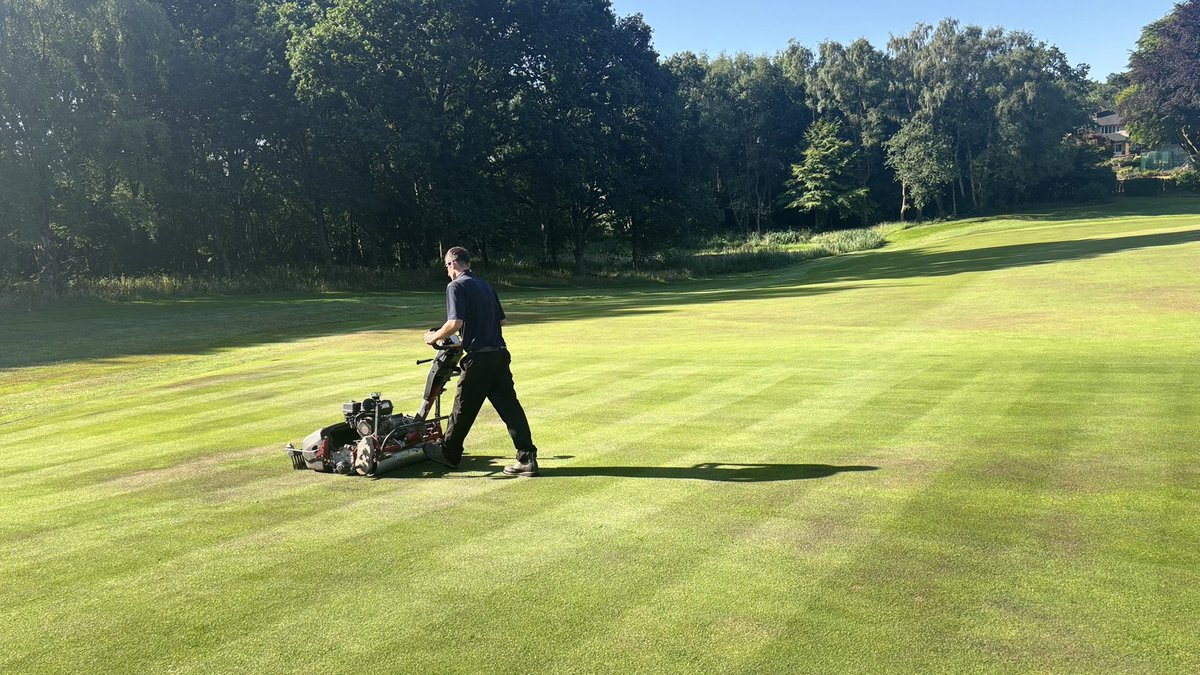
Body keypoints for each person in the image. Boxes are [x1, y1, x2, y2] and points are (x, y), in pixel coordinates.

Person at [423, 246, 540, 477]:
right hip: (499, 354)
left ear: (453, 263)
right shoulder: (485, 284)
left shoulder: (455, 286)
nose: (447, 272)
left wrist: (433, 337)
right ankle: (526, 458)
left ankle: (449, 453)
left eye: (446, 267)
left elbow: (454, 322)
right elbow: (502, 320)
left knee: (462, 408)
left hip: (479, 358)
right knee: (510, 408)